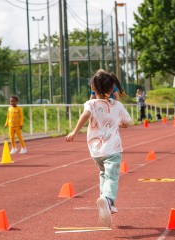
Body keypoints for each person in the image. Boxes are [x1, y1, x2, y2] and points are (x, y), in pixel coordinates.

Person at [66, 70, 131, 227]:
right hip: (113, 149)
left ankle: (107, 201)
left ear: (92, 88)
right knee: (112, 177)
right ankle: (108, 200)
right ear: (112, 89)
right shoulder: (118, 106)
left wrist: (75, 132)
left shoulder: (90, 104)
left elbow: (85, 115)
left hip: (96, 151)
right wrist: (119, 123)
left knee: (103, 174)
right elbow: (127, 122)